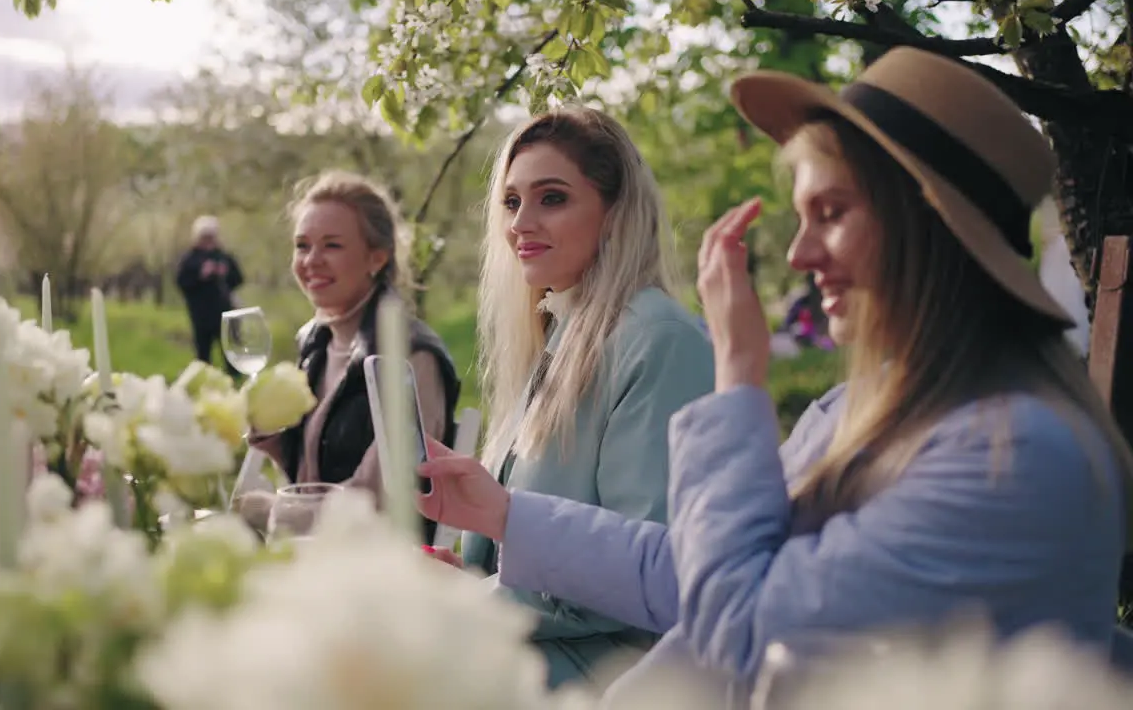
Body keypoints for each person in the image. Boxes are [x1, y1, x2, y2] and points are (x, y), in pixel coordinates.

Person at [416, 48, 1131, 701]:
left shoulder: (1015, 455)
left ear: (928, 224)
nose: (798, 254)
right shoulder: (858, 410)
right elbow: (691, 570)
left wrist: (740, 386)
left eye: (832, 212)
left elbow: (746, 628)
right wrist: (506, 513)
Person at [444, 106, 713, 689]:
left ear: (615, 213)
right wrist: (463, 584)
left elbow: (648, 573)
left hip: (613, 676)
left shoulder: (657, 339)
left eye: (552, 198)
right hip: (529, 652)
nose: (520, 223)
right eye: (512, 202)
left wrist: (477, 609)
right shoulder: (558, 331)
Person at [242, 171, 461, 544]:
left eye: (332, 246)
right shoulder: (314, 342)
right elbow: (310, 470)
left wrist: (267, 509)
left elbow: (378, 498)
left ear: (376, 257)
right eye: (302, 245)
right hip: (314, 550)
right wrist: (269, 430)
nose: (312, 260)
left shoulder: (410, 355)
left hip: (379, 564)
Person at [175, 215, 244, 371]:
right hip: (201, 315)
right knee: (203, 355)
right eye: (204, 237)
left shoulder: (224, 257)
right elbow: (181, 282)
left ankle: (234, 381)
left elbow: (238, 279)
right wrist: (201, 275)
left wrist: (225, 273)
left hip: (225, 313)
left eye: (211, 237)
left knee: (231, 353)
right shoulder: (189, 259)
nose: (208, 241)